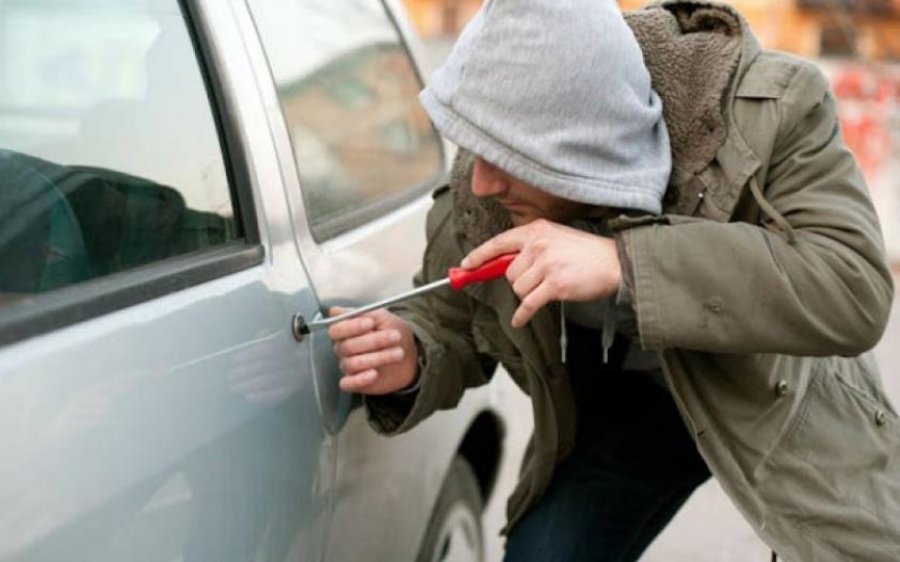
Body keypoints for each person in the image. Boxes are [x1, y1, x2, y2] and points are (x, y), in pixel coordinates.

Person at [327, 0, 900, 560]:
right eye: (476, 150)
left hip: (776, 396)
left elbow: (852, 286)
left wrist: (621, 263)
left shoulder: (774, 108)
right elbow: (453, 318)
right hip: (625, 417)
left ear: (581, 144)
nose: (480, 184)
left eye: (507, 158)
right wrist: (413, 354)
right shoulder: (485, 188)